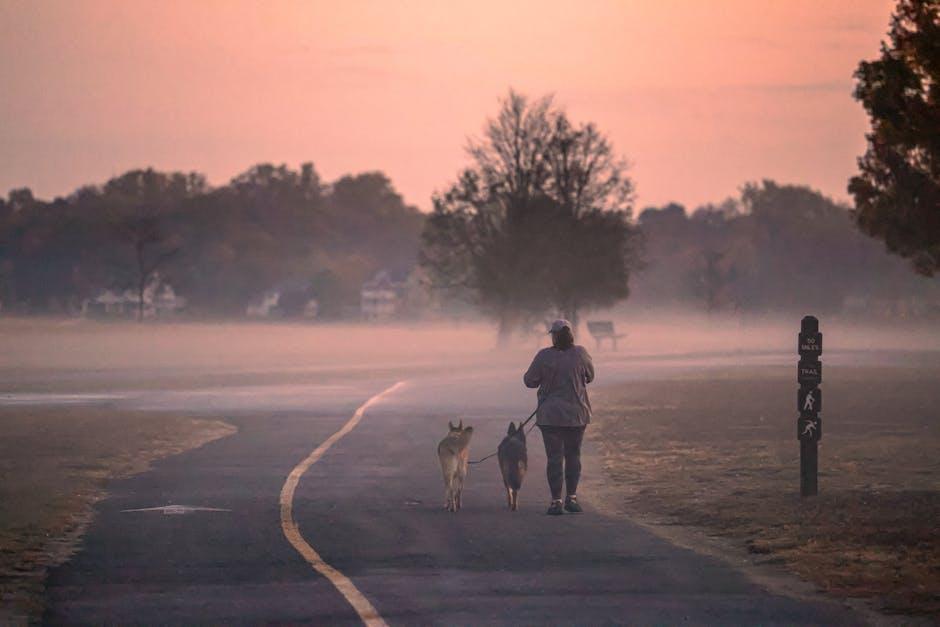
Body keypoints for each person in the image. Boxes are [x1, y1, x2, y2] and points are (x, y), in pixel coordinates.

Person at [523, 319, 595, 515]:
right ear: (570, 334)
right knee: (573, 455)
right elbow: (590, 376)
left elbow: (529, 381)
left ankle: (556, 501)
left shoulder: (543, 356)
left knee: (554, 457)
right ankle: (572, 498)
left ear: (554, 336)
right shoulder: (581, 353)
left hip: (551, 415)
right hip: (576, 414)